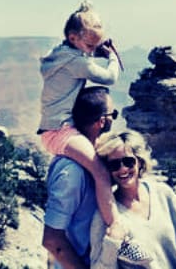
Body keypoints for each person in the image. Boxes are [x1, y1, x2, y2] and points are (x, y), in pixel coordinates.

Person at [38, 1, 121, 234]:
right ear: (73, 38)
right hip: (60, 131)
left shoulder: (60, 54)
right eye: (89, 45)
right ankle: (117, 230)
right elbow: (108, 78)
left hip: (54, 129)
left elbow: (85, 57)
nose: (92, 50)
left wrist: (93, 51)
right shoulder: (76, 62)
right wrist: (112, 57)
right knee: (101, 171)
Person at [89, 130, 176, 269]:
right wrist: (112, 243)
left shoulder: (163, 193)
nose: (123, 169)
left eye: (128, 161)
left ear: (140, 162)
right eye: (114, 165)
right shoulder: (104, 215)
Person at [42, 86, 118, 268]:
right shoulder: (72, 172)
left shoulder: (94, 160)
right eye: (113, 114)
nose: (114, 118)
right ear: (102, 121)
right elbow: (52, 240)